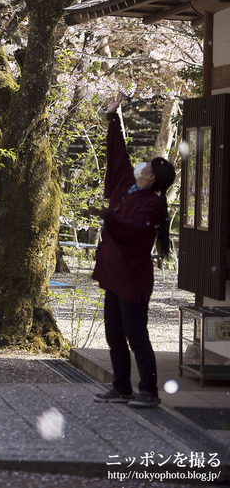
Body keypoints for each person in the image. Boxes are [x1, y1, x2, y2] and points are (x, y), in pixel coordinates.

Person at [88, 92, 176, 409]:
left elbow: (134, 232)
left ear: (152, 178)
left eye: (148, 167)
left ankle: (149, 391)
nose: (141, 166)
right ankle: (121, 387)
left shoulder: (151, 204)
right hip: (116, 274)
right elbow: (119, 156)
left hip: (133, 277)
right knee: (114, 332)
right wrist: (114, 117)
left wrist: (108, 216)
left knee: (136, 334)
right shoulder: (129, 187)